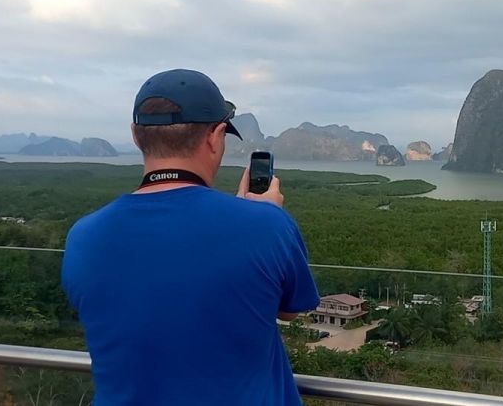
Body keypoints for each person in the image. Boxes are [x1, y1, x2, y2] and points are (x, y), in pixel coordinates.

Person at [62, 69, 320, 406]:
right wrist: (261, 215)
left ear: (136, 136)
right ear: (215, 136)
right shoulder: (269, 225)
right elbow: (289, 311)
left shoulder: (83, 236)